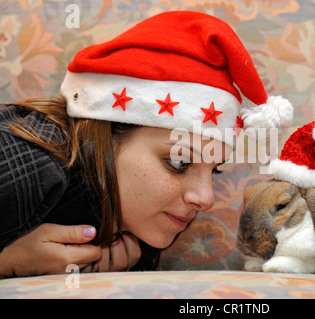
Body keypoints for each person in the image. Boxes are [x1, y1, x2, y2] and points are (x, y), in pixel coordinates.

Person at [0, 11, 293, 278]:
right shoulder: (30, 161)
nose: (206, 199)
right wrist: (9, 261)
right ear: (106, 136)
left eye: (214, 171)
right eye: (179, 162)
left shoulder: (134, 220)